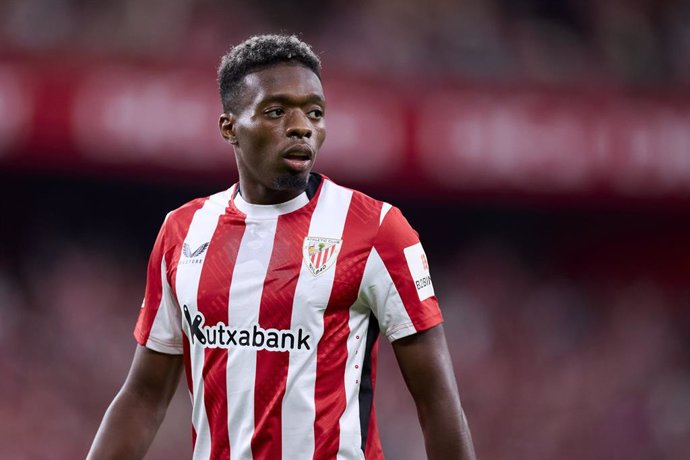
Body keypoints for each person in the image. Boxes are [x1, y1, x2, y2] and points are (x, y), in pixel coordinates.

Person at [87, 34, 476, 460]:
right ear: (229, 127)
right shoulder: (183, 231)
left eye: (314, 112)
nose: (301, 126)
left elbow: (437, 400)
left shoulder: (377, 230)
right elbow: (144, 396)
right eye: (276, 111)